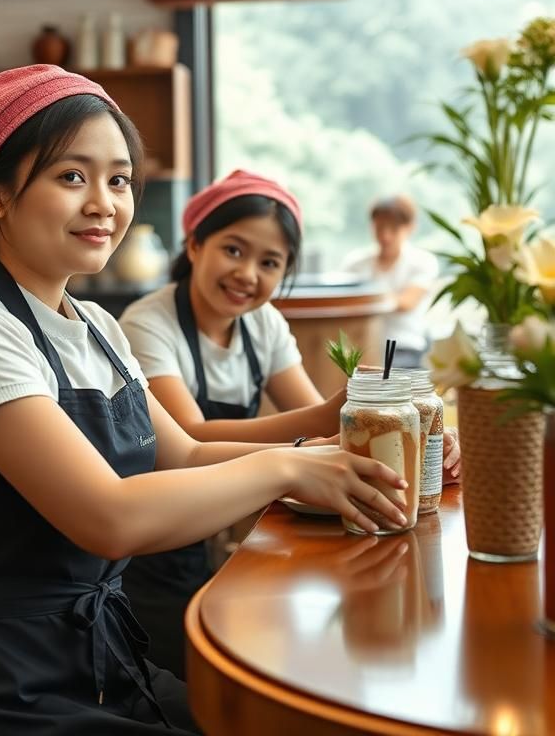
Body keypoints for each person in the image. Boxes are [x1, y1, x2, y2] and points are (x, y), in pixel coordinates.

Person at [0, 66, 409, 736]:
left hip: (98, 657)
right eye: (71, 176)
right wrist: (291, 468)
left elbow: (188, 452)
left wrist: (323, 450)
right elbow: (108, 518)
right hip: (3, 688)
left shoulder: (99, 328)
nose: (104, 203)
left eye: (118, 179)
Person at [118, 172, 460, 678]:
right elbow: (186, 438)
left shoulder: (264, 324)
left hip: (225, 529)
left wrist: (427, 442)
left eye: (270, 263)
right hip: (158, 536)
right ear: (194, 244)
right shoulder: (146, 324)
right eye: (234, 250)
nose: (248, 274)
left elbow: (323, 429)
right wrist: (329, 419)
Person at [343, 195, 440, 369]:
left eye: (393, 229)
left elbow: (406, 303)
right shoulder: (355, 263)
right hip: (361, 348)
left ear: (410, 228)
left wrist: (363, 298)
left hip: (404, 348)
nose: (385, 236)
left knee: (383, 381)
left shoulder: (423, 262)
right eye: (379, 228)